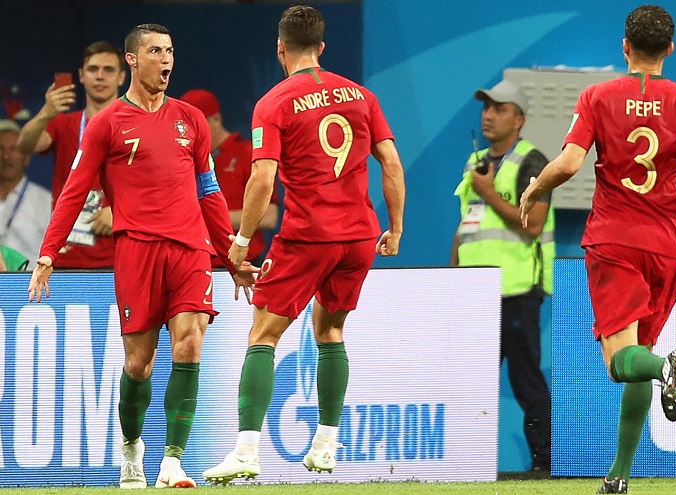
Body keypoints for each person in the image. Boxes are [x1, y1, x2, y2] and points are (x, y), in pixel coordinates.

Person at [26, 24, 252, 489]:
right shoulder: (108, 123)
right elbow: (73, 192)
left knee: (189, 342)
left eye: (169, 51)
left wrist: (231, 255)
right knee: (138, 365)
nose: (165, 59)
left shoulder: (190, 119)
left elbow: (209, 193)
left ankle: (173, 460)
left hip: (190, 249)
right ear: (133, 59)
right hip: (137, 251)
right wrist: (49, 251)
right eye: (155, 51)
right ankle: (132, 449)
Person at [202, 5, 405, 483]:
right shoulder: (361, 95)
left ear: (280, 48)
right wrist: (394, 229)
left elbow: (261, 177)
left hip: (308, 234)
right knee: (331, 332)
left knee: (263, 336)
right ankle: (327, 446)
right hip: (357, 235)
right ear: (321, 47)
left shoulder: (273, 102)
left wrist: (242, 240)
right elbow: (391, 164)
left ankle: (247, 452)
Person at [520, 5, 676, 493]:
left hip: (615, 237)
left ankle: (668, 366)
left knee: (621, 361)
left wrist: (535, 188)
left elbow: (567, 164)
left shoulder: (597, 96)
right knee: (638, 353)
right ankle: (619, 476)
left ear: (625, 47)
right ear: (670, 49)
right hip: (670, 245)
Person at [450, 80, 554, 473]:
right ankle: (461, 462)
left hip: (515, 288)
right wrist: (454, 274)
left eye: (500, 108)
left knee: (525, 380)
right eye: (486, 108)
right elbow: (466, 224)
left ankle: (544, 463)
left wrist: (491, 193)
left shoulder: (533, 161)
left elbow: (534, 223)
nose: (489, 115)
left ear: (519, 119)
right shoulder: (475, 162)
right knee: (469, 381)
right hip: (475, 290)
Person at [17, 40, 126, 269]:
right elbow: (25, 145)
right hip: (67, 256)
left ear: (121, 78)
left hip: (120, 256)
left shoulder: (137, 126)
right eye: (92, 69)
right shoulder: (64, 124)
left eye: (108, 70)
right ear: (81, 75)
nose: (100, 76)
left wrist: (121, 212)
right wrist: (46, 113)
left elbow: (155, 187)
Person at [179, 89, 279, 265]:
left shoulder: (246, 152)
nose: (191, 133)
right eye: (185, 127)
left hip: (243, 264)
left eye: (196, 125)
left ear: (216, 119)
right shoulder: (182, 160)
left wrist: (207, 219)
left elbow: (269, 216)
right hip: (194, 264)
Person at [0, 119, 52, 265]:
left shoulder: (45, 202)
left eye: (13, 149)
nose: (5, 156)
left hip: (27, 284)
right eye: (0, 149)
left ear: (26, 158)